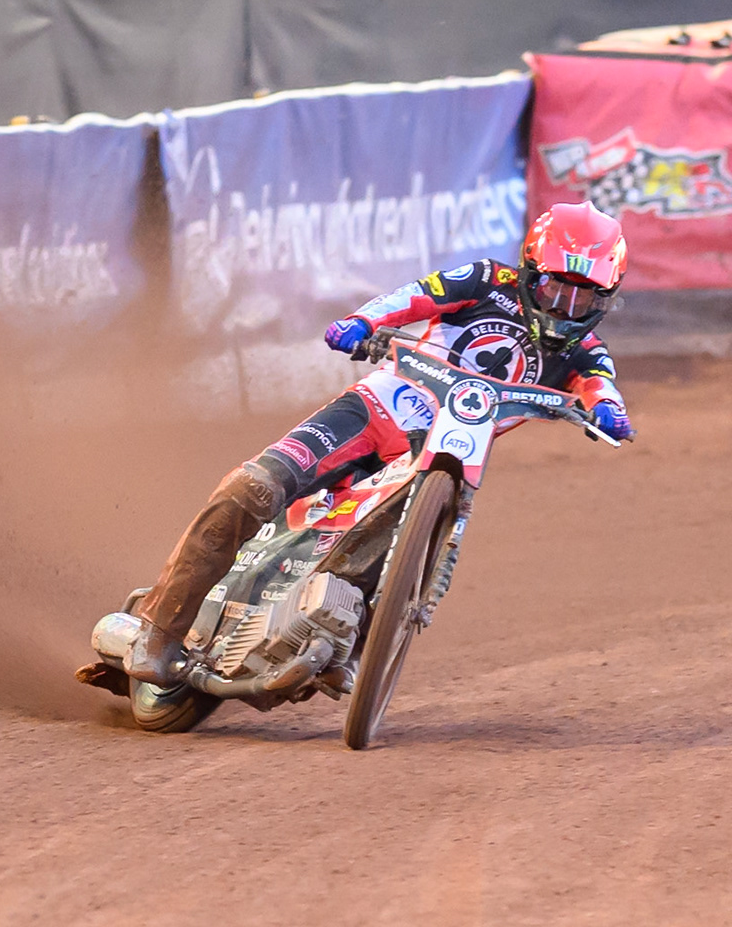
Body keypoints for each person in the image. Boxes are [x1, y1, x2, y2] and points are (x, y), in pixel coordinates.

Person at [121, 201, 635, 685]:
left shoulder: (586, 353)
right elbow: (412, 296)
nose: (566, 305)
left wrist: (608, 412)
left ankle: (351, 641)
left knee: (412, 539)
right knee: (253, 488)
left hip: (439, 455)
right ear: (528, 270)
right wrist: (363, 322)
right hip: (371, 411)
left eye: (583, 294)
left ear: (605, 299)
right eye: (553, 287)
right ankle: (158, 629)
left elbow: (600, 387)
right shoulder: (485, 280)